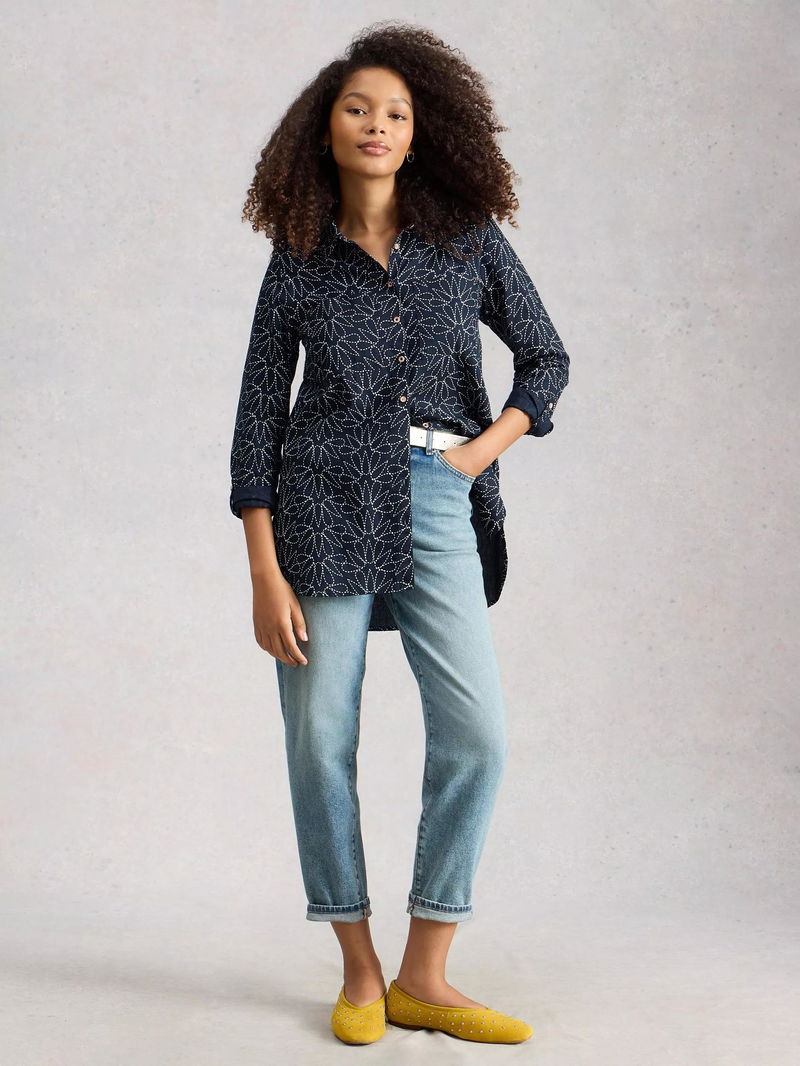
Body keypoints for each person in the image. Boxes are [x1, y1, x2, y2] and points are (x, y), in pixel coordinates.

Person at [228, 21, 570, 1046]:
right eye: (356, 108)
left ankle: (426, 970)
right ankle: (360, 966)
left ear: (420, 133)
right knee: (319, 739)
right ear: (324, 128)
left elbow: (545, 357)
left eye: (395, 112)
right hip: (319, 505)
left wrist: (479, 454)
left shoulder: (466, 240)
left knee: (477, 734)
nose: (375, 124)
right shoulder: (297, 261)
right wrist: (262, 568)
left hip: (437, 493)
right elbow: (256, 420)